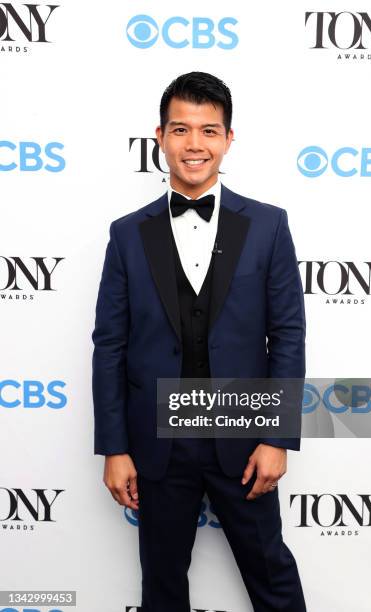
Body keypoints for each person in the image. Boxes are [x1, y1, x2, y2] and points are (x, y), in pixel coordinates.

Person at [92, 71, 307, 612]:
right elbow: (109, 344)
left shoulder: (268, 225)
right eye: (181, 129)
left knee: (272, 576)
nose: (194, 144)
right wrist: (115, 447)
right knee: (162, 587)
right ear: (160, 137)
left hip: (243, 432)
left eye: (209, 131)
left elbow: (287, 334)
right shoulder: (126, 233)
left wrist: (277, 438)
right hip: (157, 443)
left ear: (228, 139)